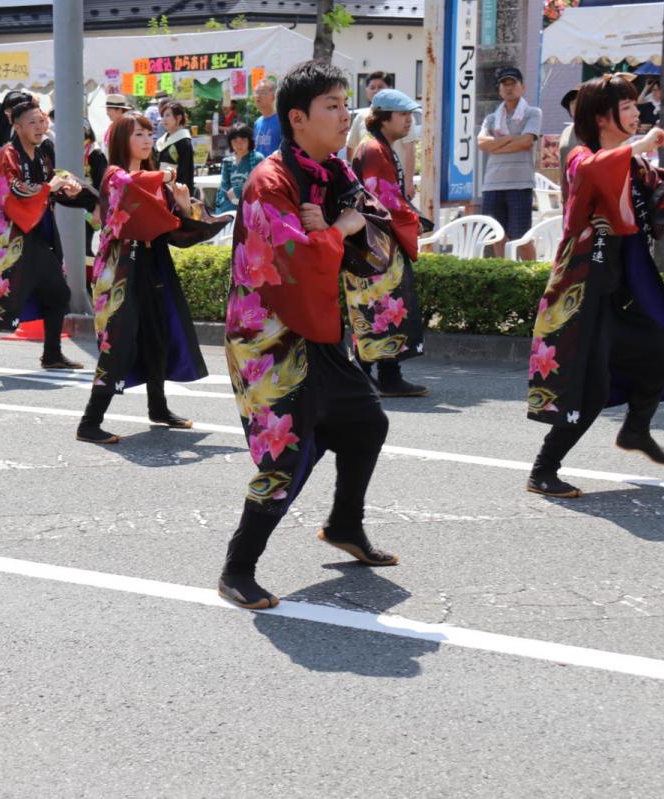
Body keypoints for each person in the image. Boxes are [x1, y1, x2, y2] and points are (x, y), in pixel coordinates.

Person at [218, 60, 402, 611]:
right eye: (332, 106)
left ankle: (344, 524)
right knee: (285, 451)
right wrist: (337, 232)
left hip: (317, 327)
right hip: (271, 334)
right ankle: (236, 569)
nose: (346, 115)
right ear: (297, 118)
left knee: (367, 421)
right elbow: (289, 259)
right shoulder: (268, 181)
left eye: (347, 105)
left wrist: (339, 228)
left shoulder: (335, 172)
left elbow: (376, 222)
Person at [525, 75, 664, 498]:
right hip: (584, 288)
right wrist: (640, 147)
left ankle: (635, 430)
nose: (636, 113)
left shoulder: (635, 162)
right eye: (626, 107)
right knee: (590, 386)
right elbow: (590, 174)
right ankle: (542, 471)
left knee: (660, 357)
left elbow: (659, 208)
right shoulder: (582, 157)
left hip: (620, 287)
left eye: (634, 106)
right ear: (602, 117)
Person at [77, 113, 228, 444]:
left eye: (149, 133)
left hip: (152, 263)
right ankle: (89, 422)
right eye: (138, 134)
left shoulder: (154, 181)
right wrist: (168, 176)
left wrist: (186, 207)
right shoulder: (116, 176)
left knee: (157, 335)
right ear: (121, 140)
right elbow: (132, 189)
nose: (147, 139)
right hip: (121, 268)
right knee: (119, 341)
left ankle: (158, 408)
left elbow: (177, 230)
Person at [0, 99, 95, 379]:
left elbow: (50, 183)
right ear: (17, 126)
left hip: (39, 231)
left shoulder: (44, 151)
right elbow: (13, 192)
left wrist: (68, 188)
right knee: (9, 298)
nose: (40, 127)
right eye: (32, 122)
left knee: (58, 293)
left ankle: (51, 354)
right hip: (14, 235)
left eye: (42, 121)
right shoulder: (6, 155)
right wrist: (51, 187)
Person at [350, 88, 429, 397]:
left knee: (380, 308)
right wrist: (413, 219)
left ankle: (378, 376)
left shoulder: (377, 147)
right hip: (376, 243)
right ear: (383, 118)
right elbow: (383, 199)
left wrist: (411, 216)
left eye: (410, 115)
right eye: (403, 115)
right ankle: (377, 377)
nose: (409, 121)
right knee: (381, 308)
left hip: (374, 241)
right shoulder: (374, 150)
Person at [478, 67, 542, 259]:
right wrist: (512, 140)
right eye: (504, 84)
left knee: (521, 237)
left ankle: (534, 277)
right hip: (492, 184)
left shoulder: (533, 113)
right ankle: (503, 274)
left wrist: (496, 145)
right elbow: (481, 143)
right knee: (498, 236)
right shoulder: (491, 118)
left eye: (513, 83)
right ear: (499, 90)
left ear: (522, 87)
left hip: (520, 183)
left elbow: (526, 141)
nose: (508, 88)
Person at [214, 122, 264, 215]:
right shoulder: (227, 162)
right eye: (235, 141)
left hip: (252, 206)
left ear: (249, 141)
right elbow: (225, 187)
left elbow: (259, 184)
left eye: (243, 140)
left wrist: (237, 191)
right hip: (231, 208)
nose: (239, 145)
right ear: (230, 142)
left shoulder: (257, 158)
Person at [82, 119, 108, 277]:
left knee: (84, 246)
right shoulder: (73, 150)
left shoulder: (95, 152)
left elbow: (102, 184)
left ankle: (93, 278)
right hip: (76, 202)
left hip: (92, 205)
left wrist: (99, 207)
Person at [156, 101, 195, 193]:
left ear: (178, 118)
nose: (164, 119)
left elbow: (185, 171)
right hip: (160, 186)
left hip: (175, 188)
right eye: (163, 116)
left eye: (168, 115)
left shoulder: (183, 141)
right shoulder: (161, 141)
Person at [558, 86, 581, 203]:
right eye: (572, 103)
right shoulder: (566, 131)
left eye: (580, 102)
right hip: (568, 193)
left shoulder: (600, 131)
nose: (575, 105)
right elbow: (562, 164)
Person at [252, 78, 281, 157]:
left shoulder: (282, 120)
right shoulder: (257, 122)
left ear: (273, 96)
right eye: (257, 92)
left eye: (263, 92)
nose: (258, 96)